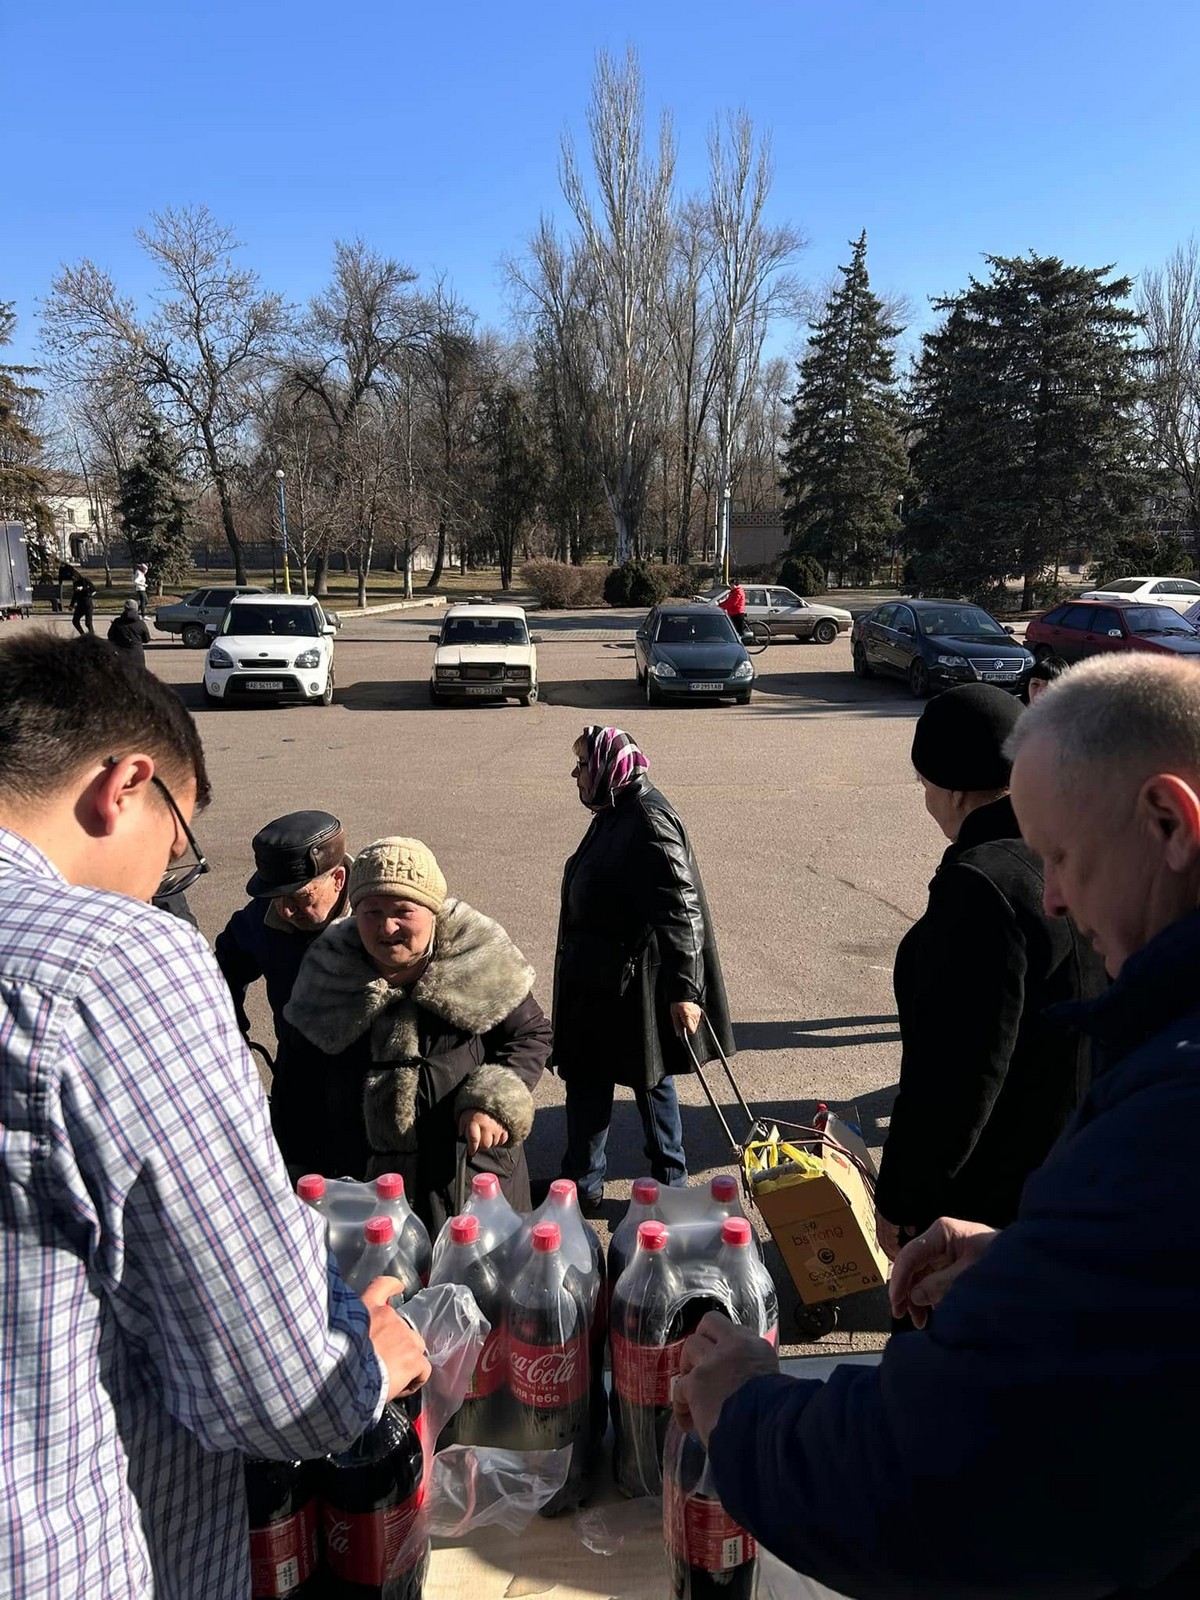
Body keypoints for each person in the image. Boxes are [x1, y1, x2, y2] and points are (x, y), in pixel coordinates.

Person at [674, 653, 1200, 1600]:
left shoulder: (1173, 1114)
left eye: (1066, 859)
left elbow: (942, 1475)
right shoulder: (1163, 1053)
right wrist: (1024, 1258)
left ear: (1167, 822)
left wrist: (747, 1407)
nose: (1054, 899)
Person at [0, 633, 429, 1600]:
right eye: (180, 838)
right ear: (124, 785)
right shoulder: (111, 961)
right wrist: (361, 1363)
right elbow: (277, 1386)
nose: (165, 878)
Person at [873, 684, 1102, 1259]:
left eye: (924, 783)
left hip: (995, 1195)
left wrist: (903, 1201)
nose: (925, 797)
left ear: (951, 790)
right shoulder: (1071, 848)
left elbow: (957, 1076)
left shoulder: (979, 887)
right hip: (1078, 1166)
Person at [282, 837, 552, 1229]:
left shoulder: (477, 961)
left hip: (467, 1184)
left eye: (403, 910)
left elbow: (530, 1033)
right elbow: (295, 1089)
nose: (387, 926)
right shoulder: (326, 977)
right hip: (360, 1195)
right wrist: (295, 1174)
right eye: (371, 911)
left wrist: (494, 1101)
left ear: (432, 912)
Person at [553, 726, 735, 1213]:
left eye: (583, 764)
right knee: (589, 1080)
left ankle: (670, 1187)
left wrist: (685, 991)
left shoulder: (648, 819)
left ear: (609, 766)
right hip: (599, 981)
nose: (575, 773)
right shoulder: (615, 807)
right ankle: (581, 1185)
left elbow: (683, 909)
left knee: (650, 1083)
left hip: (629, 987)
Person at [215, 811, 352, 1154]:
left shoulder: (379, 915)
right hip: (298, 1081)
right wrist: (229, 1033)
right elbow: (224, 968)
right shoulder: (260, 918)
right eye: (278, 897)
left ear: (338, 879)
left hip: (369, 1089)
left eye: (302, 898)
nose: (286, 910)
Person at [107, 596, 152, 667]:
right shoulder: (140, 623)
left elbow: (110, 636)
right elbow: (146, 639)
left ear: (125, 608)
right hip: (137, 656)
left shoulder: (117, 622)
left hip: (121, 655)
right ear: (136, 609)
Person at [67, 564, 96, 635]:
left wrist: (83, 589)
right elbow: (75, 594)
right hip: (80, 605)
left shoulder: (85, 580)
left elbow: (93, 589)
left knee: (88, 623)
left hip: (87, 604)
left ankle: (92, 636)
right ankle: (82, 634)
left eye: (74, 577)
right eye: (72, 578)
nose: (74, 579)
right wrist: (71, 605)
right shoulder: (75, 583)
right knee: (75, 621)